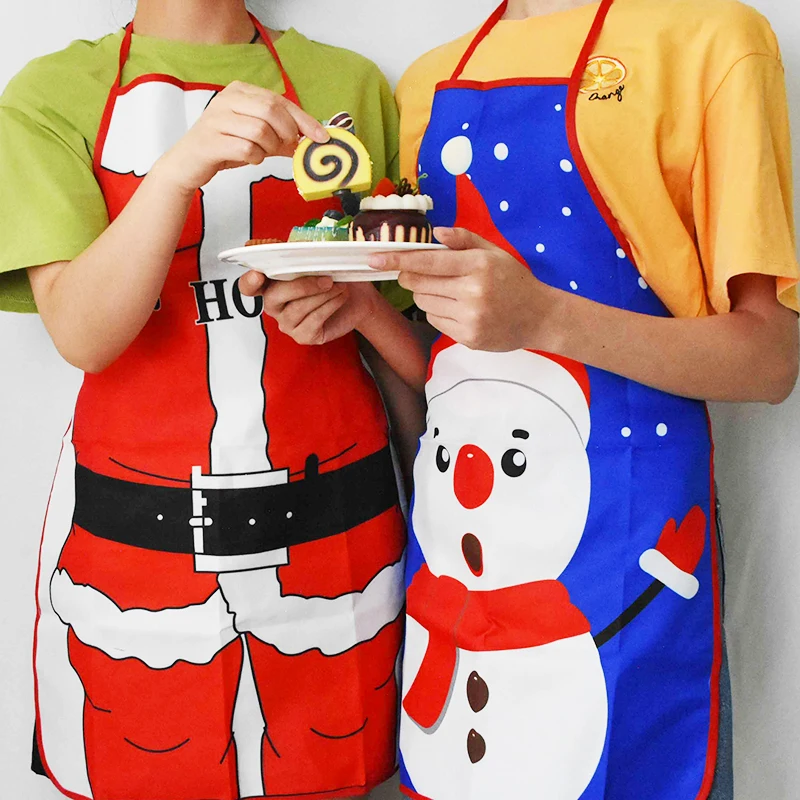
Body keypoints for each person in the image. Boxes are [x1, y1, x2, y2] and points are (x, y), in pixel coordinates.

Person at [257, 0, 800, 797]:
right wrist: (365, 311)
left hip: (621, 537)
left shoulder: (712, 40)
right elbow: (457, 371)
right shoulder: (430, 79)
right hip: (455, 551)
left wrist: (543, 316)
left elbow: (770, 360)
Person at [0, 1, 426, 799]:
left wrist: (361, 308)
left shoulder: (350, 85)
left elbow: (417, 355)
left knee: (329, 766)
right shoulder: (52, 93)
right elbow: (84, 335)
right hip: (137, 555)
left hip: (340, 541)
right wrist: (176, 170)